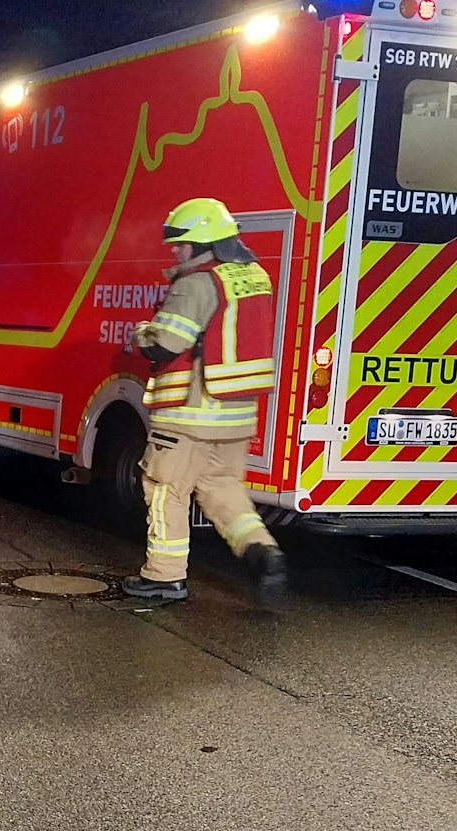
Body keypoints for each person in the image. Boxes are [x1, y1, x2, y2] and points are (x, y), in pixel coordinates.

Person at [120, 198, 286, 605]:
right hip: (236, 414)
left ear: (203, 242)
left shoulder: (197, 282)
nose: (176, 251)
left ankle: (164, 578)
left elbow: (167, 343)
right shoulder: (253, 276)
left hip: (188, 415)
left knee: (164, 489)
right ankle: (263, 552)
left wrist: (141, 333)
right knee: (223, 489)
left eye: (182, 244)